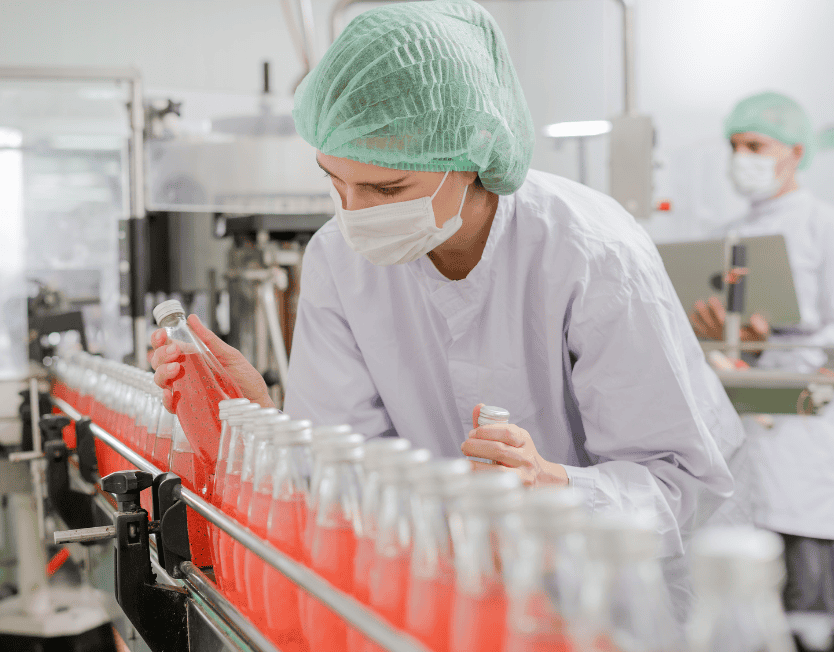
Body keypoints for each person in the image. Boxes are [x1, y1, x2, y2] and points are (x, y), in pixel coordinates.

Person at [151, 0, 742, 617]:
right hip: (452, 594)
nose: (354, 214)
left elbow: (681, 486)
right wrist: (262, 424)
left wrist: (554, 486)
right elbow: (343, 478)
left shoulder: (592, 254)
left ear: (471, 156)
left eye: (386, 189)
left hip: (619, 598)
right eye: (335, 181)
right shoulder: (338, 258)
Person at [691, 91, 834, 616]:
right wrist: (720, 340)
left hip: (808, 440)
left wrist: (773, 344)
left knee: (805, 599)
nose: (741, 157)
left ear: (796, 152)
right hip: (741, 432)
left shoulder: (823, 224)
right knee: (743, 602)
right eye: (734, 145)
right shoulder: (723, 238)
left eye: (755, 144)